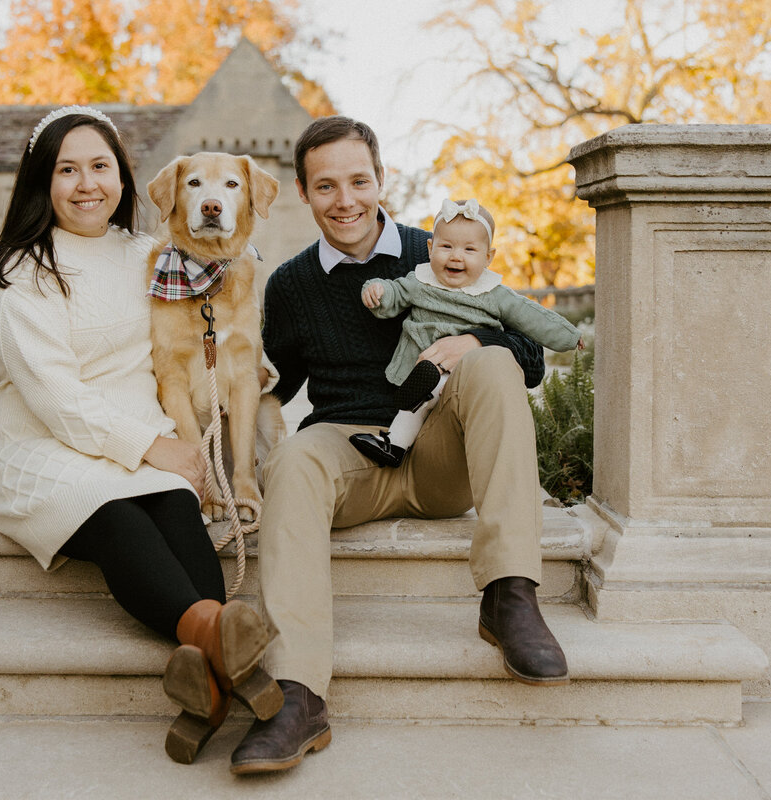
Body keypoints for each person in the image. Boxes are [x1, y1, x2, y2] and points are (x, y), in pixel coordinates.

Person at [229, 116, 568, 775]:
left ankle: (510, 595)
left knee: (495, 363)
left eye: (359, 180)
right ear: (304, 192)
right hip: (350, 451)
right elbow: (275, 378)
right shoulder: (293, 284)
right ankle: (298, 694)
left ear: (382, 180)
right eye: (326, 186)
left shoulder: (439, 250)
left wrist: (478, 342)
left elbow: (529, 355)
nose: (346, 199)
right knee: (294, 458)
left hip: (441, 454)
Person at [0, 106, 281, 765]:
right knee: (117, 517)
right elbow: (56, 398)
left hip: (141, 440)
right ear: (40, 182)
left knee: (179, 521)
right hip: (45, 447)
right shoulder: (20, 275)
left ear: (122, 178)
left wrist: (243, 357)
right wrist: (156, 447)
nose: (87, 184)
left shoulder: (150, 255)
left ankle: (209, 681)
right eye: (67, 169)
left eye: (100, 167)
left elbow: (219, 296)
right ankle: (231, 655)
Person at [350, 197, 583, 468]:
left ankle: (402, 440)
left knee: (434, 388)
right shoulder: (420, 281)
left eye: (469, 249)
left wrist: (569, 335)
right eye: (446, 246)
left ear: (488, 258)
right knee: (426, 388)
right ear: (430, 248)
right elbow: (395, 293)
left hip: (466, 373)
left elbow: (533, 318)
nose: (456, 256)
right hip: (421, 362)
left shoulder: (495, 294)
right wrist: (376, 291)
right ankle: (395, 445)